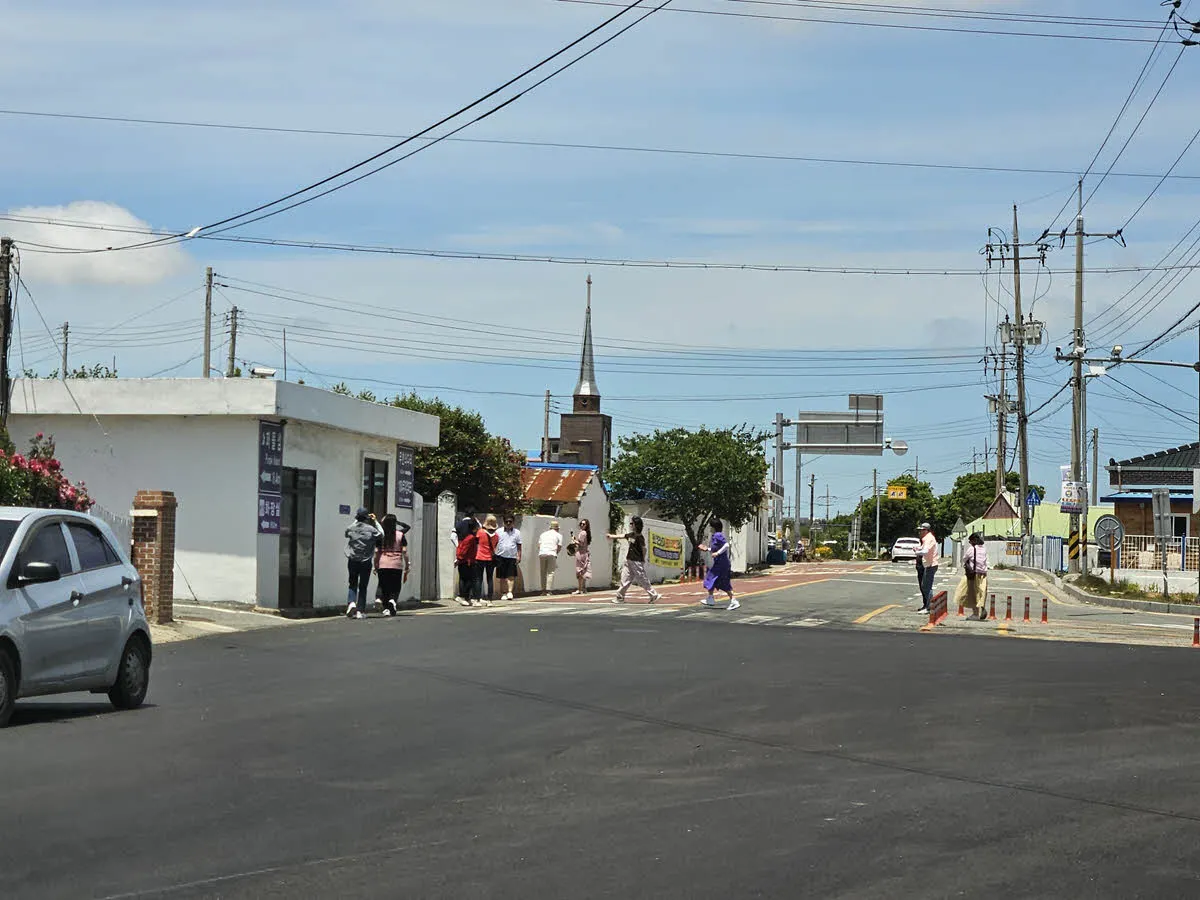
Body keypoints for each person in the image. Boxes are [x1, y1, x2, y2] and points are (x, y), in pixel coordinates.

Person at [607, 516, 663, 603]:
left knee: (642, 578)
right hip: (629, 560)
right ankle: (620, 597)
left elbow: (644, 549)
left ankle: (653, 595)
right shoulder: (631, 535)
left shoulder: (640, 537)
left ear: (636, 525)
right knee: (625, 579)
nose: (630, 525)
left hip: (636, 560)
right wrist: (611, 536)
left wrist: (642, 559)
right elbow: (623, 536)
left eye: (632, 523)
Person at [345, 507, 383, 619]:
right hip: (365, 561)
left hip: (352, 560)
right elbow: (382, 534)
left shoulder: (351, 528)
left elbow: (346, 533)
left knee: (352, 583)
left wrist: (356, 520)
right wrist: (375, 521)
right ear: (367, 518)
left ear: (357, 517)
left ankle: (352, 602)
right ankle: (360, 611)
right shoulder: (371, 530)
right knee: (363, 586)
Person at [373, 514, 409, 616]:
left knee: (383, 585)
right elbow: (404, 552)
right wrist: (407, 565)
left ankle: (383, 604)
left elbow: (376, 552)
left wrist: (375, 565)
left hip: (383, 563)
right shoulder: (400, 535)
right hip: (396, 564)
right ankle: (393, 600)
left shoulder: (381, 536)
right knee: (395, 585)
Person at [699, 519, 739, 610]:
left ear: (714, 527)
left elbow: (726, 545)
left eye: (711, 526)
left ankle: (733, 601)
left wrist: (717, 553)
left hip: (722, 563)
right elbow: (715, 549)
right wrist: (707, 549)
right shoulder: (715, 536)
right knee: (713, 579)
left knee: (714, 579)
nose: (710, 528)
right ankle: (711, 598)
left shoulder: (718, 535)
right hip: (719, 563)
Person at [957, 531, 988, 620]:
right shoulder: (984, 549)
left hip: (973, 574)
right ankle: (982, 607)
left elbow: (964, 559)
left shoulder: (971, 549)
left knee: (972, 593)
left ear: (974, 541)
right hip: (983, 574)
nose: (970, 543)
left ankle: (975, 614)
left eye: (970, 541)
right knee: (981, 592)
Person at [454, 509, 480, 607]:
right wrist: (460, 558)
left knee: (466, 579)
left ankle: (465, 597)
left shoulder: (467, 534)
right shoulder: (471, 538)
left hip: (468, 560)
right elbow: (464, 550)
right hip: (467, 561)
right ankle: (462, 596)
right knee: (468, 579)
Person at [494, 514, 522, 601]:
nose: (508, 523)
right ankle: (503, 593)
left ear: (513, 522)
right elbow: (494, 543)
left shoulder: (517, 532)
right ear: (503, 522)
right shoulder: (498, 531)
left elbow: (519, 545)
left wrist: (519, 556)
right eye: (506, 521)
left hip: (512, 557)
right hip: (500, 556)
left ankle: (510, 592)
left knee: (511, 575)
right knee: (502, 576)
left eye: (510, 521)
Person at [476, 514, 499, 605]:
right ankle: (490, 600)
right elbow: (495, 546)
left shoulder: (480, 532)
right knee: (490, 579)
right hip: (490, 559)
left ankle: (478, 599)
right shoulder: (496, 535)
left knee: (479, 579)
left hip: (480, 557)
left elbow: (476, 542)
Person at [917, 522, 939, 612]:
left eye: (922, 530)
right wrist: (918, 549)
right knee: (925, 586)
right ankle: (928, 606)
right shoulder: (927, 538)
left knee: (926, 586)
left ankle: (929, 607)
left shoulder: (928, 538)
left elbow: (925, 551)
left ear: (926, 530)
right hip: (929, 564)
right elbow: (923, 548)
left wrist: (917, 552)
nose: (920, 532)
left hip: (931, 564)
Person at [537, 520, 564, 596]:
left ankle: (543, 591)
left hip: (542, 553)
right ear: (557, 528)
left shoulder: (543, 534)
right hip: (552, 553)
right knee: (550, 572)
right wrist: (555, 554)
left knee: (543, 572)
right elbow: (559, 547)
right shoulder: (559, 535)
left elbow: (539, 545)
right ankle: (548, 591)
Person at [571, 519, 592, 596]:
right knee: (583, 571)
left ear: (586, 525)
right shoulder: (586, 533)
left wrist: (574, 540)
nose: (582, 525)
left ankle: (580, 589)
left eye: (583, 524)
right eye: (581, 524)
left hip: (580, 553)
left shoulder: (583, 533)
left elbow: (581, 544)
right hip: (585, 553)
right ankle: (583, 588)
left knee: (579, 572)